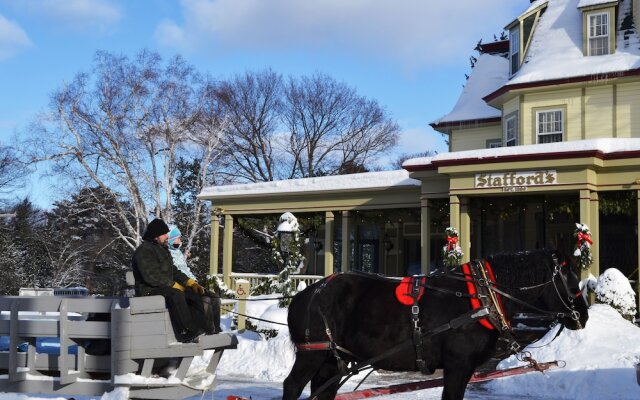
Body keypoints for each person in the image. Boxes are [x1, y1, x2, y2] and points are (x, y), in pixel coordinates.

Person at [132, 218, 207, 343]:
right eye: (164, 234)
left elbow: (173, 271)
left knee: (192, 292)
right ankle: (186, 331)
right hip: (148, 290)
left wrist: (189, 282)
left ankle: (201, 327)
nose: (167, 236)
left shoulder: (161, 249)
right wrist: (173, 285)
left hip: (162, 287)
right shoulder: (144, 251)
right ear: (156, 235)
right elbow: (152, 277)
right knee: (175, 293)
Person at [167, 225, 222, 334]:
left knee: (215, 298)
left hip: (190, 283)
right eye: (177, 238)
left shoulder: (177, 253)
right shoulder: (167, 254)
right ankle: (207, 329)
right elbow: (174, 274)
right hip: (181, 286)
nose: (180, 240)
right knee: (205, 300)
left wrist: (194, 281)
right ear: (170, 239)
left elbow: (186, 269)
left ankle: (216, 329)